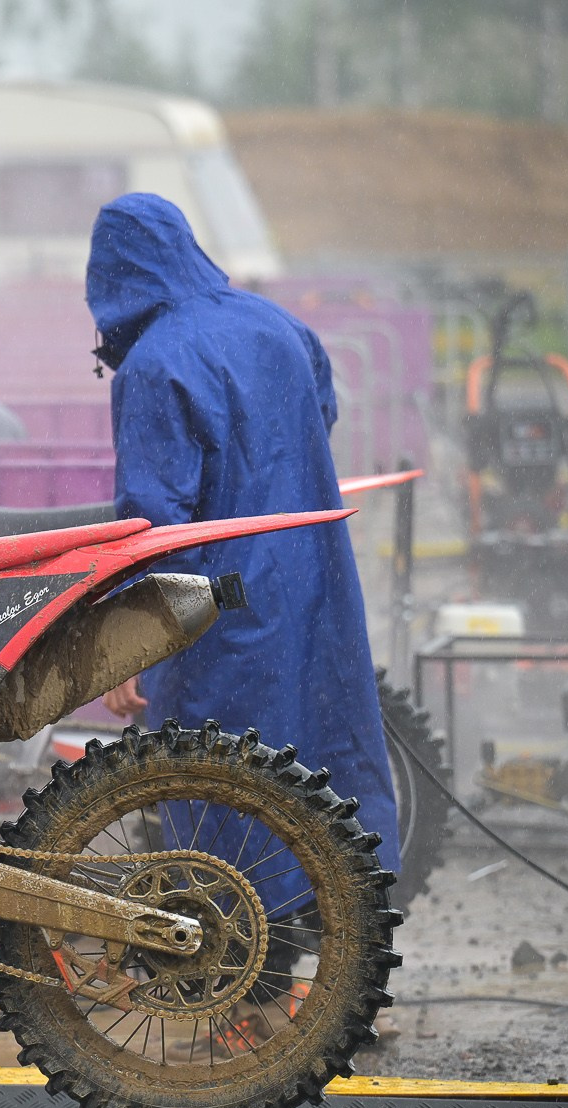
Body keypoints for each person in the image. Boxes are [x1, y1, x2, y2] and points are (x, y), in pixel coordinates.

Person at [88, 193, 399, 920]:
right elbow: (321, 415)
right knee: (332, 765)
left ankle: (251, 1006)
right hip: (318, 584)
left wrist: (131, 648)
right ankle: (358, 982)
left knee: (229, 788)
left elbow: (152, 520)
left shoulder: (155, 364)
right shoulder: (277, 324)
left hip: (224, 608)